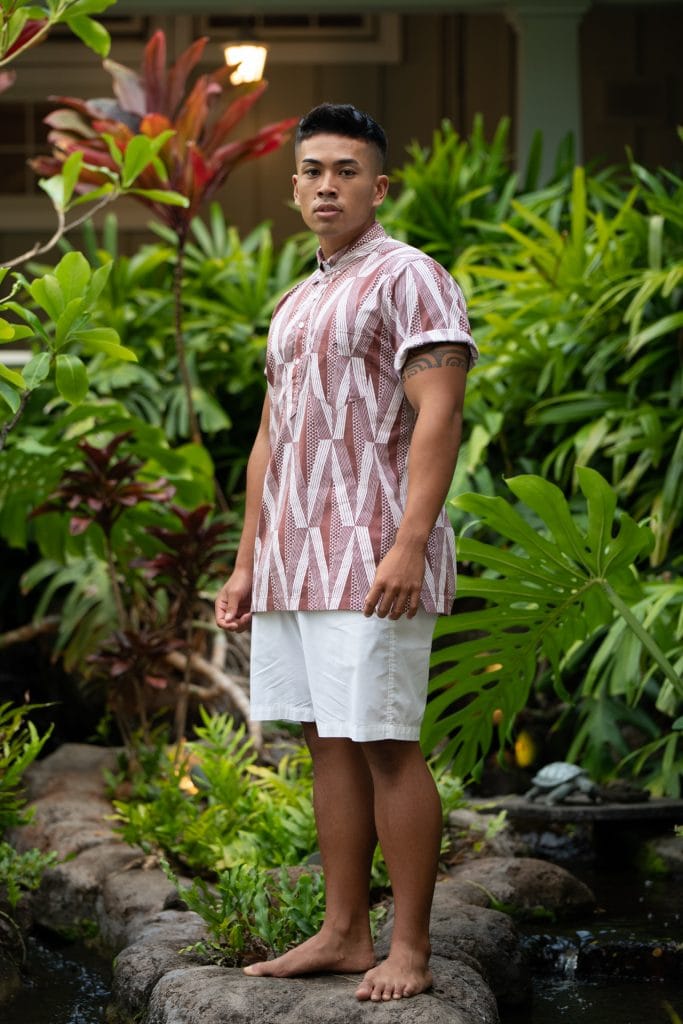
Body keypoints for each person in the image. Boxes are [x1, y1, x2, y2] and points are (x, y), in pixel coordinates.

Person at [214, 102, 477, 1003]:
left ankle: (408, 948)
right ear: (294, 187)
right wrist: (249, 560)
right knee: (326, 741)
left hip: (373, 557)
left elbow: (439, 413)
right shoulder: (297, 298)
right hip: (295, 559)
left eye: (347, 171)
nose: (328, 185)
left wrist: (409, 544)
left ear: (378, 185)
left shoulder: (411, 277)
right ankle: (341, 932)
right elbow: (269, 435)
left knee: (387, 743)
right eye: (313, 170)